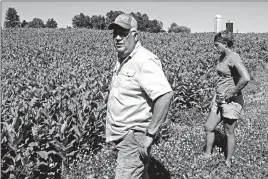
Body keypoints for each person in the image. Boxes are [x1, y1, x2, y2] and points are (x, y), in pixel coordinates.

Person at [106, 14, 174, 179]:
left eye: (123, 33)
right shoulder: (124, 58)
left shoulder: (144, 60)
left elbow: (165, 95)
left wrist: (149, 135)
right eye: (115, 33)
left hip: (133, 137)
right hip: (123, 136)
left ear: (135, 35)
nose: (117, 38)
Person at [203, 30, 250, 167]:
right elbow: (222, 79)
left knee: (229, 131)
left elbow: (246, 78)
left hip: (231, 101)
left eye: (217, 44)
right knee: (209, 127)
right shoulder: (222, 57)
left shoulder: (234, 57)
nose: (215, 47)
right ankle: (207, 154)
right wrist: (214, 97)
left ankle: (228, 161)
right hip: (219, 98)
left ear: (225, 43)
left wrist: (232, 93)